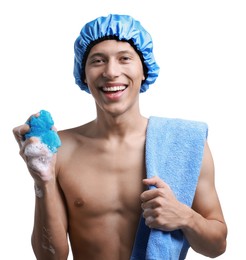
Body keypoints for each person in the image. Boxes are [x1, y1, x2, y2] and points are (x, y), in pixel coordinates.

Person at [13, 14, 227, 260]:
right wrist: (43, 182)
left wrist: (185, 217)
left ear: (144, 69)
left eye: (124, 59)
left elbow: (217, 246)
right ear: (83, 75)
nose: (111, 72)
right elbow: (50, 258)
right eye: (98, 61)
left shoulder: (187, 143)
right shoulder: (60, 150)